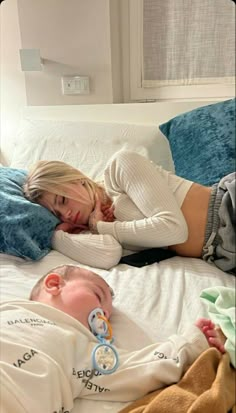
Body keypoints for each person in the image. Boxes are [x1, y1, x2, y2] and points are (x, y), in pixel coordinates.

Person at [0, 264, 226, 413]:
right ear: (54, 284)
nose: (103, 315)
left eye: (107, 313)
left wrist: (191, 341)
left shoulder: (83, 346)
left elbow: (136, 369)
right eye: (98, 296)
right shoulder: (10, 309)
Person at [23, 150, 236, 273]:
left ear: (75, 179)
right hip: (224, 253)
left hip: (228, 210)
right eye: (58, 214)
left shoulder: (120, 167)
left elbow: (174, 230)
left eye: (62, 200)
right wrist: (55, 236)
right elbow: (108, 255)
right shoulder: (94, 227)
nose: (67, 214)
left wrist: (103, 227)